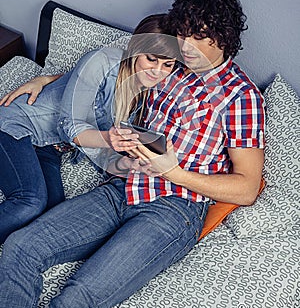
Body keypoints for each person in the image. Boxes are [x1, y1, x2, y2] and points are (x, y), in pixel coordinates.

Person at [0, 0, 265, 308]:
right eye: (182, 33)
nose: (184, 46)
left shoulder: (240, 98)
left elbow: (247, 188)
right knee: (21, 248)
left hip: (174, 209)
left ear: (223, 39)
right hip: (121, 186)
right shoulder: (173, 64)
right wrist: (49, 78)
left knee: (76, 301)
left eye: (197, 36)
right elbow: (113, 69)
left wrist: (174, 173)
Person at [0, 14, 180, 244]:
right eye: (151, 59)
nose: (157, 71)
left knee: (48, 215)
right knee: (30, 201)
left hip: (49, 147)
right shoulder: (104, 61)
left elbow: (100, 145)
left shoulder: (144, 97)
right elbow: (70, 126)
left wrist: (126, 165)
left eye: (167, 65)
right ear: (136, 49)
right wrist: (108, 138)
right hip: (18, 126)